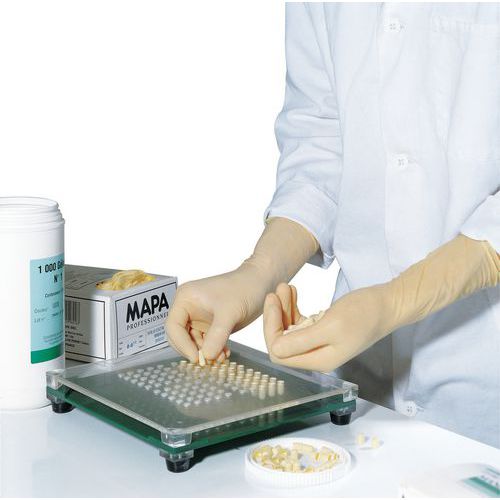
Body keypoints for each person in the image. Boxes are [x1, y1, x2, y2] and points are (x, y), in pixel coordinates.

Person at [166, 3, 500, 447]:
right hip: (360, 383)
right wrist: (257, 273)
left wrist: (394, 303)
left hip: (485, 394)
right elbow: (322, 140)